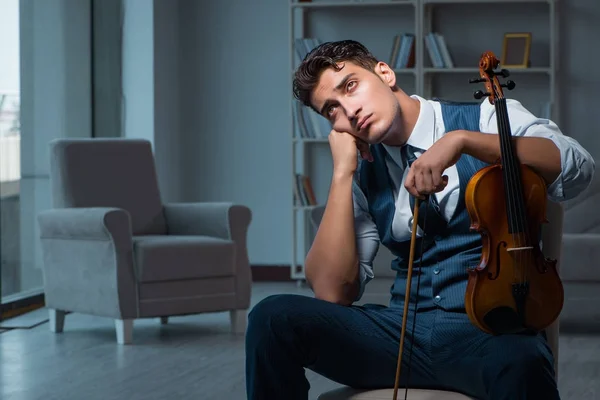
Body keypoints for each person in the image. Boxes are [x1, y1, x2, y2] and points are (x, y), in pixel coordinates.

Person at [245, 40, 595, 400]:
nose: (348, 109)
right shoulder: (363, 172)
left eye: (349, 85)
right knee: (271, 318)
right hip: (401, 336)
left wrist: (460, 142)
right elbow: (333, 293)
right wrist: (342, 173)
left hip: (487, 333)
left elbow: (577, 167)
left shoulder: (485, 118)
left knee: (522, 362)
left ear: (384, 72)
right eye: (331, 109)